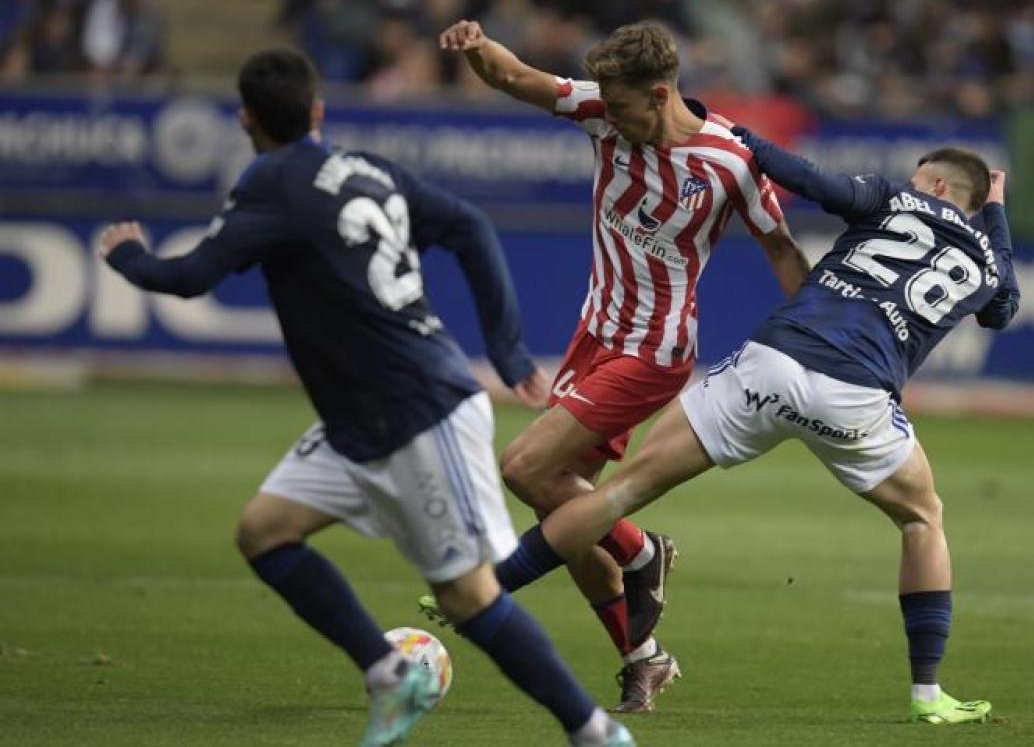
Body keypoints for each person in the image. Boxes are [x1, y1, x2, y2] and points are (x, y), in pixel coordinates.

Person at [98, 48, 634, 747]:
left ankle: (593, 731)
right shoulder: (365, 168)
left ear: (245, 119)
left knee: (467, 597)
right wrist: (504, 350)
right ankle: (388, 673)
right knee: (263, 532)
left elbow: (191, 276)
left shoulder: (270, 182)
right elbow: (470, 225)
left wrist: (126, 256)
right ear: (318, 113)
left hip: (417, 412)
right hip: (361, 418)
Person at [485, 127, 1021, 725]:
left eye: (922, 177)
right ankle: (928, 695)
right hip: (857, 396)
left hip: (771, 363)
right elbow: (1002, 309)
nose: (914, 184)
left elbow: (809, 179)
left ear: (938, 185)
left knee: (619, 491)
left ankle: (483, 592)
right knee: (923, 518)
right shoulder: (984, 262)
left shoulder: (893, 199)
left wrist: (739, 137)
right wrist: (994, 212)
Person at [436, 19, 811, 713]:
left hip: (655, 351)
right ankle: (643, 656)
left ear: (662, 93)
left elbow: (783, 249)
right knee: (562, 496)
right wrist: (477, 46)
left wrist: (820, 337)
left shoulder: (729, 161)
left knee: (525, 468)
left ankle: (641, 553)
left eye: (622, 107)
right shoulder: (604, 112)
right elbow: (517, 78)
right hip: (594, 339)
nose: (608, 117)